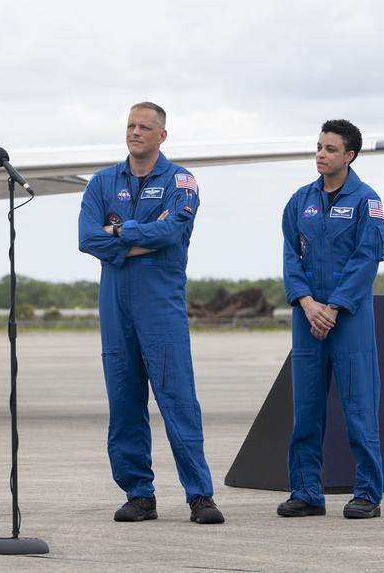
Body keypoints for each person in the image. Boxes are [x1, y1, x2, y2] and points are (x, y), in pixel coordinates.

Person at [77, 102, 225, 525]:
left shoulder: (182, 180)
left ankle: (200, 496)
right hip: (116, 303)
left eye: (144, 127)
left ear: (162, 135)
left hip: (160, 303)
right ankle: (138, 494)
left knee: (177, 399)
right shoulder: (103, 182)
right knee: (124, 402)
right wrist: (140, 239)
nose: (135, 132)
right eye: (130, 125)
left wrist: (120, 231)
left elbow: (173, 231)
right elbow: (87, 239)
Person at [277, 119, 384, 520]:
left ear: (350, 155)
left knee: (359, 409)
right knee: (306, 409)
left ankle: (367, 493)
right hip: (307, 318)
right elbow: (291, 257)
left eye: (330, 149)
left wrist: (335, 307)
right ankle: (306, 492)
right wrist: (307, 303)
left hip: (349, 318)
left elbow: (366, 259)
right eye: (319, 147)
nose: (321, 154)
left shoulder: (365, 201)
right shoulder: (299, 200)